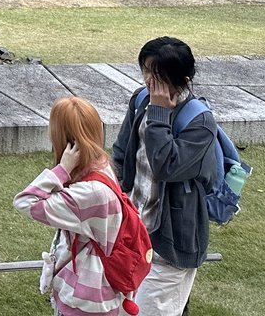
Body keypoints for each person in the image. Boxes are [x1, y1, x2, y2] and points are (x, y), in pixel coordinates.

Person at [111, 36, 217, 315]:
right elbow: (122, 152)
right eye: (146, 70)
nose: (149, 81)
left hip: (170, 242)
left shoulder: (200, 122)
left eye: (158, 75)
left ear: (181, 80)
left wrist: (158, 112)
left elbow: (166, 166)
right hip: (133, 231)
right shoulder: (140, 99)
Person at [14, 96, 126, 315]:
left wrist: (62, 169)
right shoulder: (102, 167)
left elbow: (25, 202)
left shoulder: (88, 193)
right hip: (100, 292)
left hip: (86, 298)